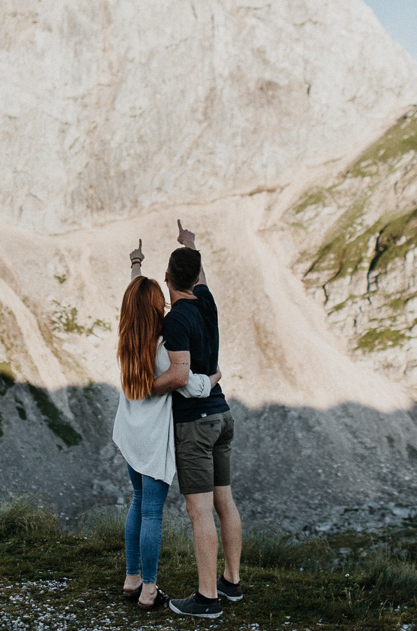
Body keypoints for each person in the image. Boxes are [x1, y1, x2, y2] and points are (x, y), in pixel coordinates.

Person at [112, 239, 220, 611]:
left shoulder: (128, 338)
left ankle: (131, 578)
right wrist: (215, 378)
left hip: (128, 432)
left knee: (138, 501)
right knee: (152, 511)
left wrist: (136, 264)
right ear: (156, 307)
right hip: (154, 438)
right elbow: (187, 382)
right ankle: (149, 589)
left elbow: (134, 298)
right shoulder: (161, 346)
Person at [151, 221, 243, 619]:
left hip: (195, 423)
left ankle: (207, 599)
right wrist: (190, 243)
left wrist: (146, 387)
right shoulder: (207, 303)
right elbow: (199, 273)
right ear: (196, 277)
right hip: (222, 415)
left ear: (167, 278)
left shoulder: (175, 320)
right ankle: (231, 582)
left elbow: (179, 376)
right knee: (225, 502)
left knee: (199, 511)